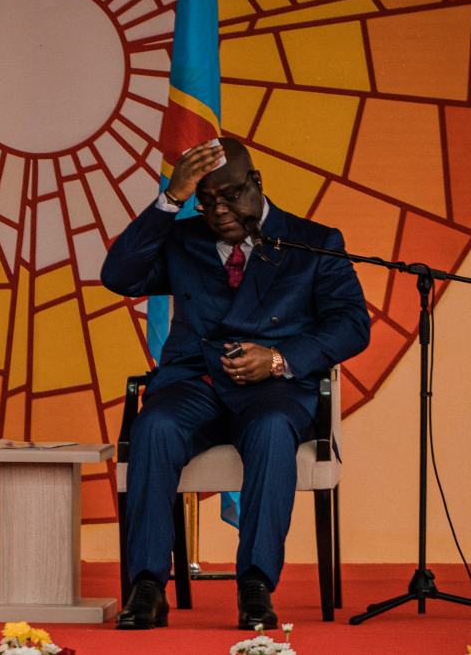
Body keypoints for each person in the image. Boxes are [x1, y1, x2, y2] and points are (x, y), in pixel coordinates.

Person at [101, 138, 369, 630]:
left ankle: (256, 585)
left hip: (274, 389)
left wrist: (280, 358)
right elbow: (119, 275)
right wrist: (170, 200)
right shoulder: (184, 239)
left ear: (255, 183)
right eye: (206, 201)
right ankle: (146, 587)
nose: (219, 210)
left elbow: (352, 324)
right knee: (154, 426)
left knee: (271, 430)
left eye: (228, 196)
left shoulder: (312, 242)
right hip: (194, 384)